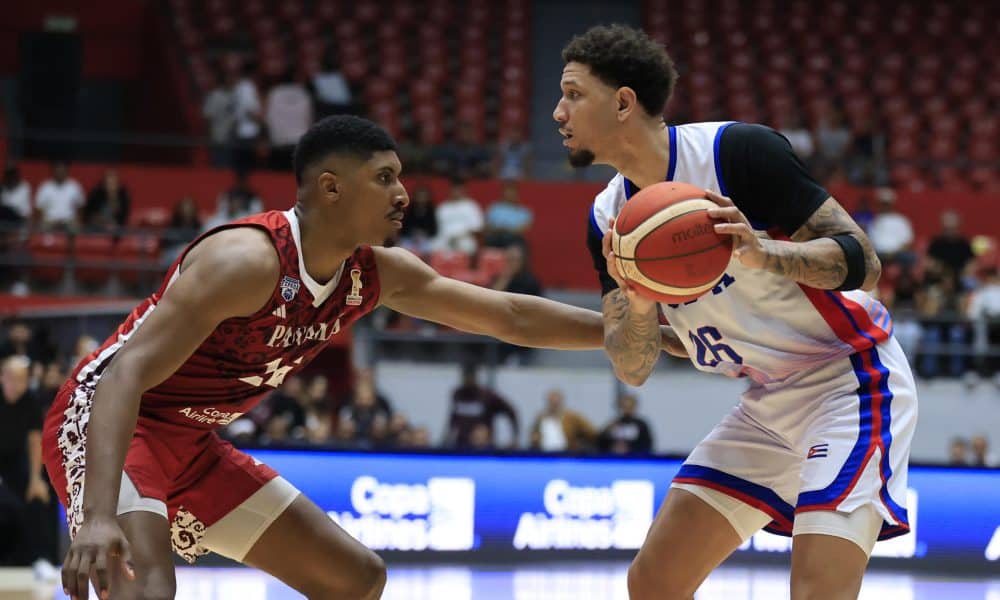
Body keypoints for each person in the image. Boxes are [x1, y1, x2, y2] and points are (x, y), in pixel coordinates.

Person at [44, 115, 628, 600]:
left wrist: (620, 333)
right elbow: (125, 377)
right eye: (385, 177)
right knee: (145, 588)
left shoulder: (376, 272)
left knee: (356, 578)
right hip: (113, 417)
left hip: (192, 445)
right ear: (331, 188)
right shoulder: (244, 262)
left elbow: (510, 316)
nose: (404, 194)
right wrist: (96, 515)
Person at [554, 25, 916, 600]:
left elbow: (862, 261)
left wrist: (762, 251)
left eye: (573, 94)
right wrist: (642, 303)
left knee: (819, 590)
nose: (558, 111)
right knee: (654, 582)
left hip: (850, 382)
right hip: (766, 401)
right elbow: (632, 365)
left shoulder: (735, 152)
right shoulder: (608, 220)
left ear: (623, 102)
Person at [0, 356, 57, 577]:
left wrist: (36, 477)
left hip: (15, 460)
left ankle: (41, 558)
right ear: (2, 377)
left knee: (38, 495)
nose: (17, 384)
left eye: (22, 380)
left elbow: (35, 440)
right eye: (12, 379)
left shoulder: (30, 401)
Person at [444, 362, 519, 449]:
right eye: (465, 376)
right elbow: (453, 419)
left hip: (483, 449)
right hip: (461, 447)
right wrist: (447, 440)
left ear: (475, 377)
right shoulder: (458, 394)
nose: (468, 380)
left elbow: (511, 411)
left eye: (470, 376)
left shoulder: (487, 396)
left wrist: (514, 437)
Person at [528, 388, 596, 453]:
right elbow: (533, 435)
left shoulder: (572, 417)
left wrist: (579, 443)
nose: (553, 405)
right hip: (545, 454)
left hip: (566, 453)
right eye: (551, 402)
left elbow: (590, 432)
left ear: (560, 402)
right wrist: (535, 439)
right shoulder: (540, 418)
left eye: (556, 403)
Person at [35, 160, 84, 232]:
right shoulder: (45, 186)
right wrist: (41, 221)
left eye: (62, 170)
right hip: (50, 220)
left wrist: (79, 221)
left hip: (68, 220)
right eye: (57, 170)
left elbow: (80, 206)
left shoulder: (74, 186)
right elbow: (39, 208)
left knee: (76, 228)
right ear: (53, 171)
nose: (60, 172)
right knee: (41, 228)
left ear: (67, 171)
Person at [484, 180, 533, 248]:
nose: (509, 194)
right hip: (496, 237)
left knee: (517, 243)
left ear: (517, 193)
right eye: (507, 191)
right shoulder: (494, 208)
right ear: (503, 192)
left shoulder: (524, 211)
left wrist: (506, 229)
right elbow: (488, 226)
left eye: (512, 191)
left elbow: (522, 229)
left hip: (514, 239)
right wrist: (500, 229)